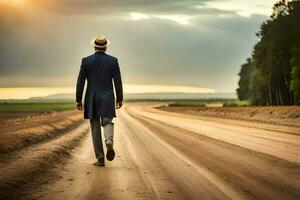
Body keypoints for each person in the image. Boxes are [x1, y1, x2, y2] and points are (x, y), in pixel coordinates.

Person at [76, 35, 123, 167]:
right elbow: (118, 81)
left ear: (94, 46)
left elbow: (80, 82)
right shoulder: (113, 61)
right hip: (107, 97)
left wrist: (78, 99)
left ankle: (100, 159)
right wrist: (120, 98)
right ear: (106, 47)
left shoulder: (86, 61)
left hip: (92, 98)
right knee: (107, 122)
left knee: (95, 128)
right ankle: (109, 141)